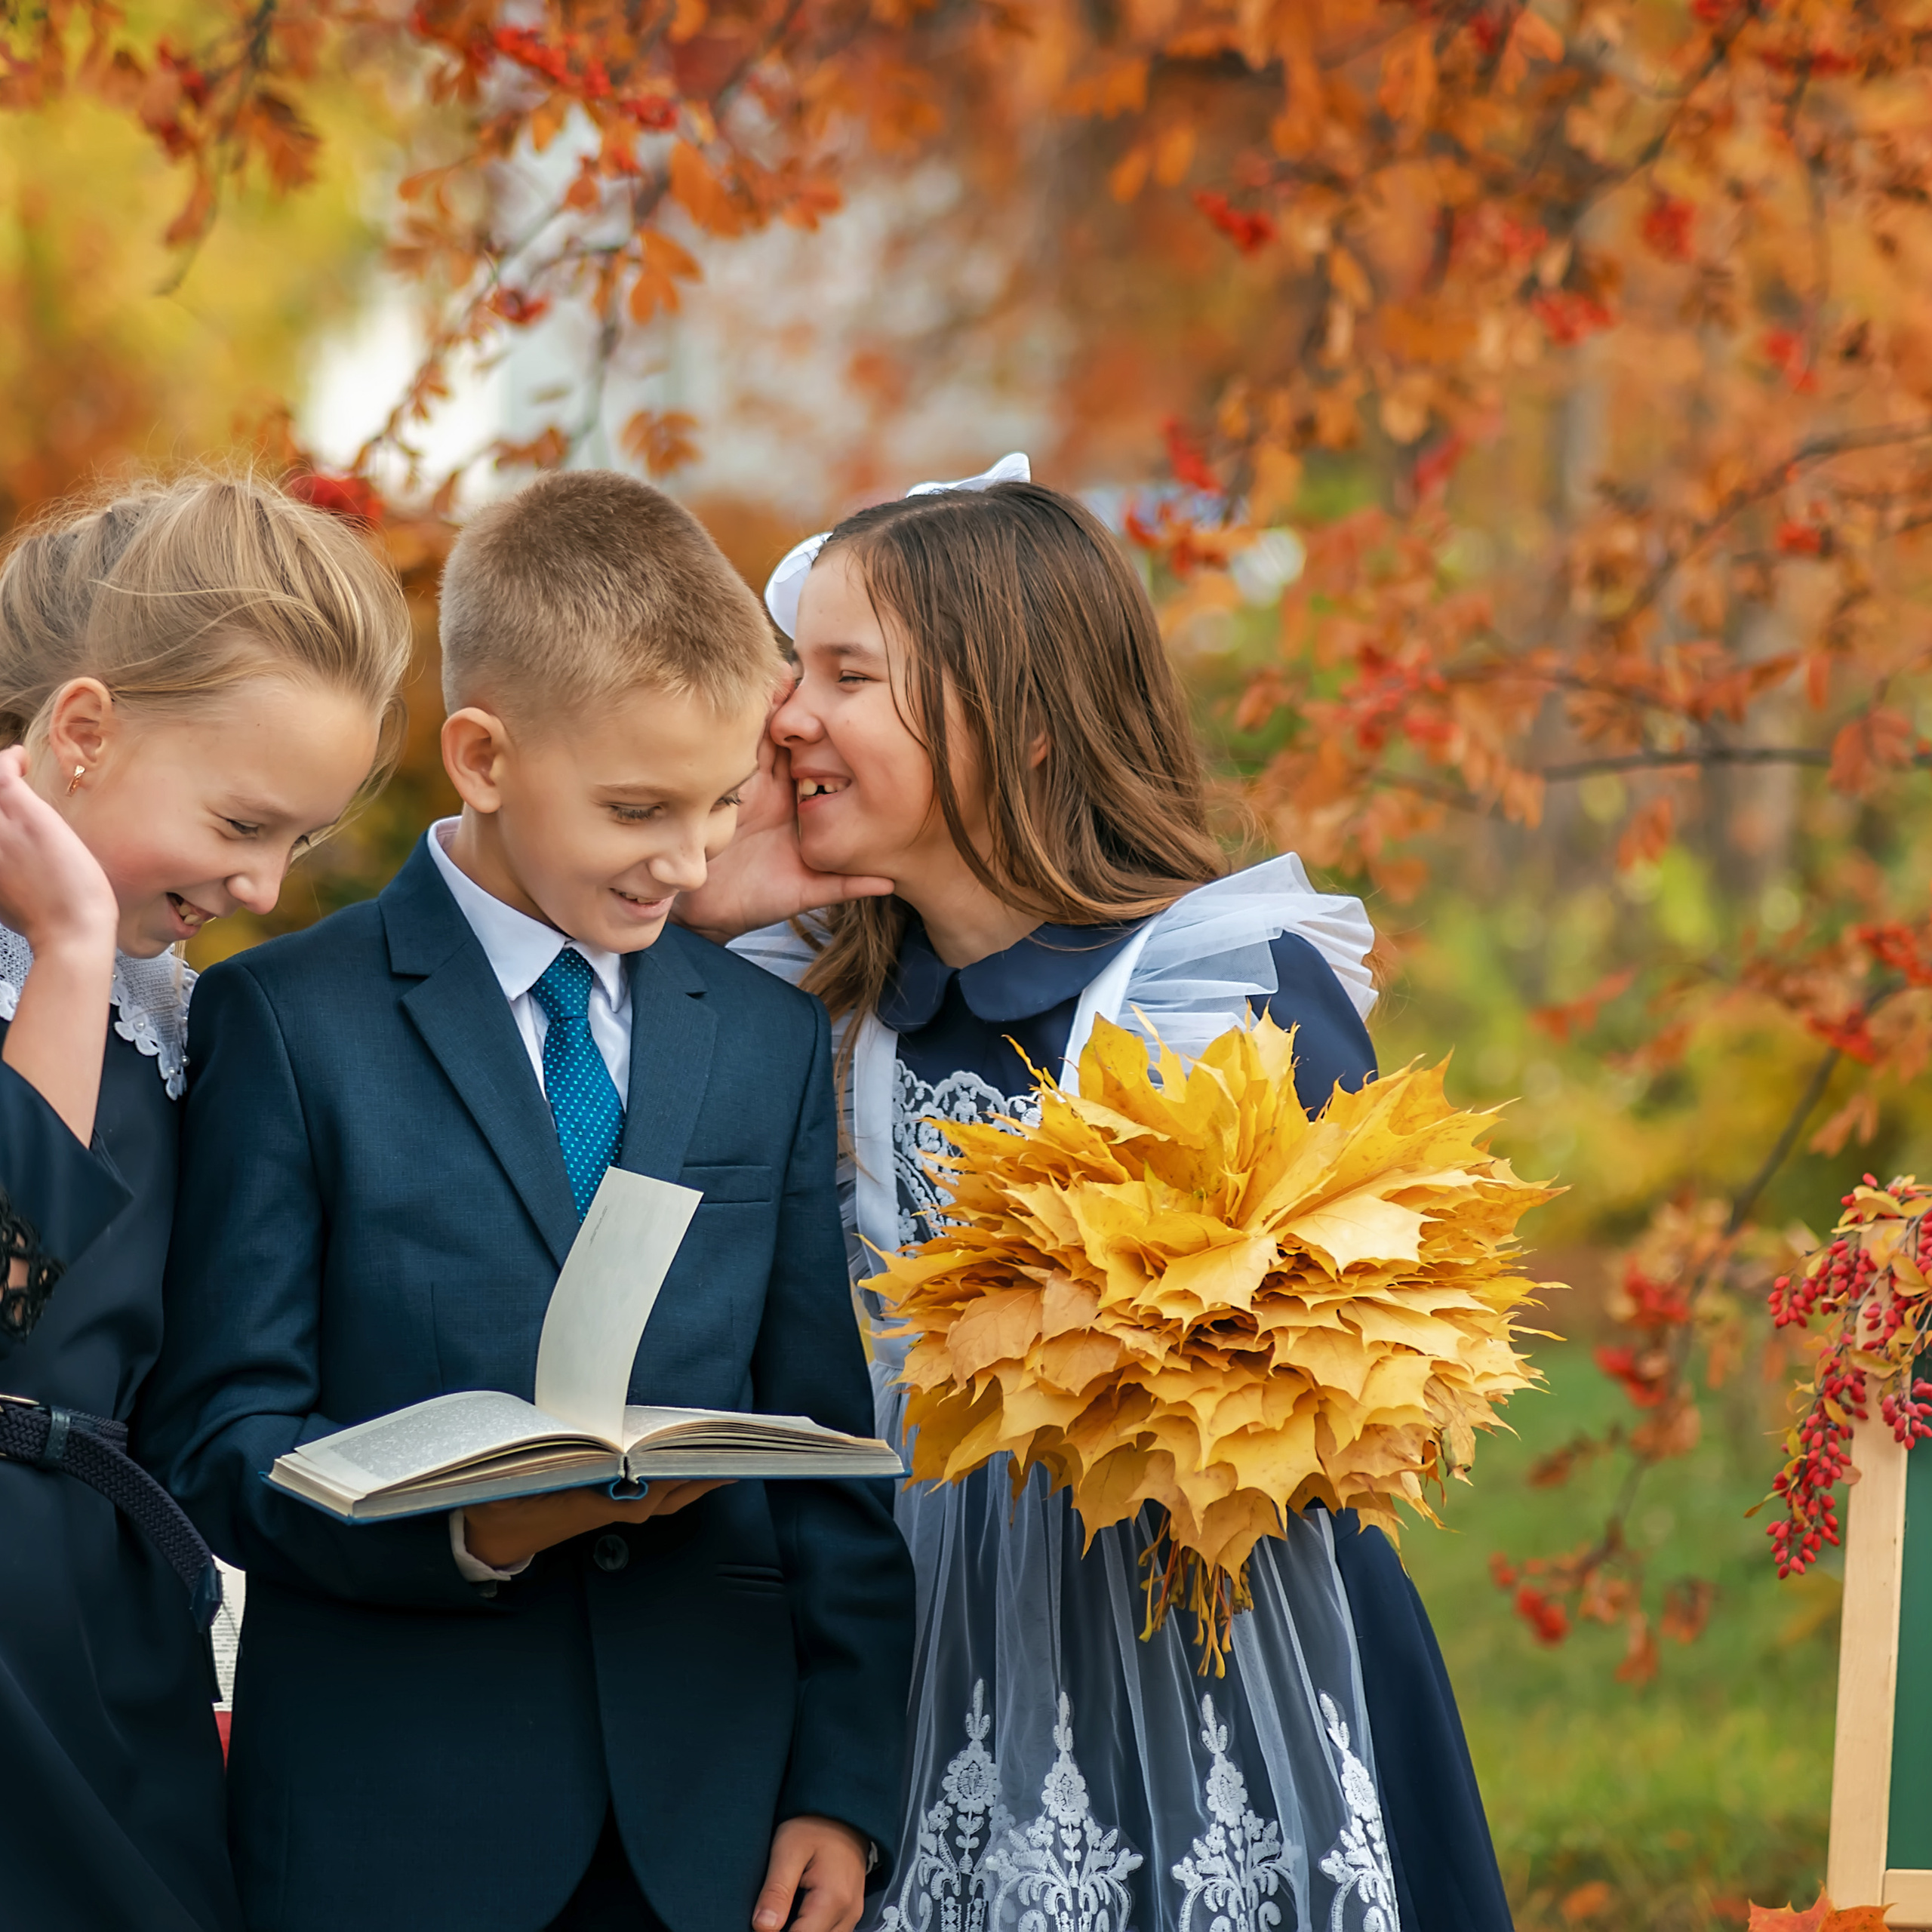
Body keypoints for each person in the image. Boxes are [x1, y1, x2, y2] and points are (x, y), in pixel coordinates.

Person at [679, 460, 1515, 1932]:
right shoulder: (829, 1011)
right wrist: (700, 914)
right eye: (792, 669)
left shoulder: (1212, 989)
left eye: (846, 675)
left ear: (1023, 718)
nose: (784, 715)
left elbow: (1357, 1359)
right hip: (940, 1648)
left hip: (1214, 1650)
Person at [141, 471, 918, 1932]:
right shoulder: (288, 1023)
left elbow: (826, 1448)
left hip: (713, 1825)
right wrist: (477, 1532)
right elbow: (217, 1439)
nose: (687, 861)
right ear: (484, 757)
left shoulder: (760, 1039)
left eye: (718, 804)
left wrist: (841, 1781)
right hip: (393, 1825)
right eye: (636, 809)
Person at [0, 472, 415, 1932]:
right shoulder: (77, 970)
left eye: (300, 843)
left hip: (107, 1629)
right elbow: (8, 1292)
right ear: (83, 733)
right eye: (244, 822)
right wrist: (67, 951)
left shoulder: (171, 1014)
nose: (265, 887)